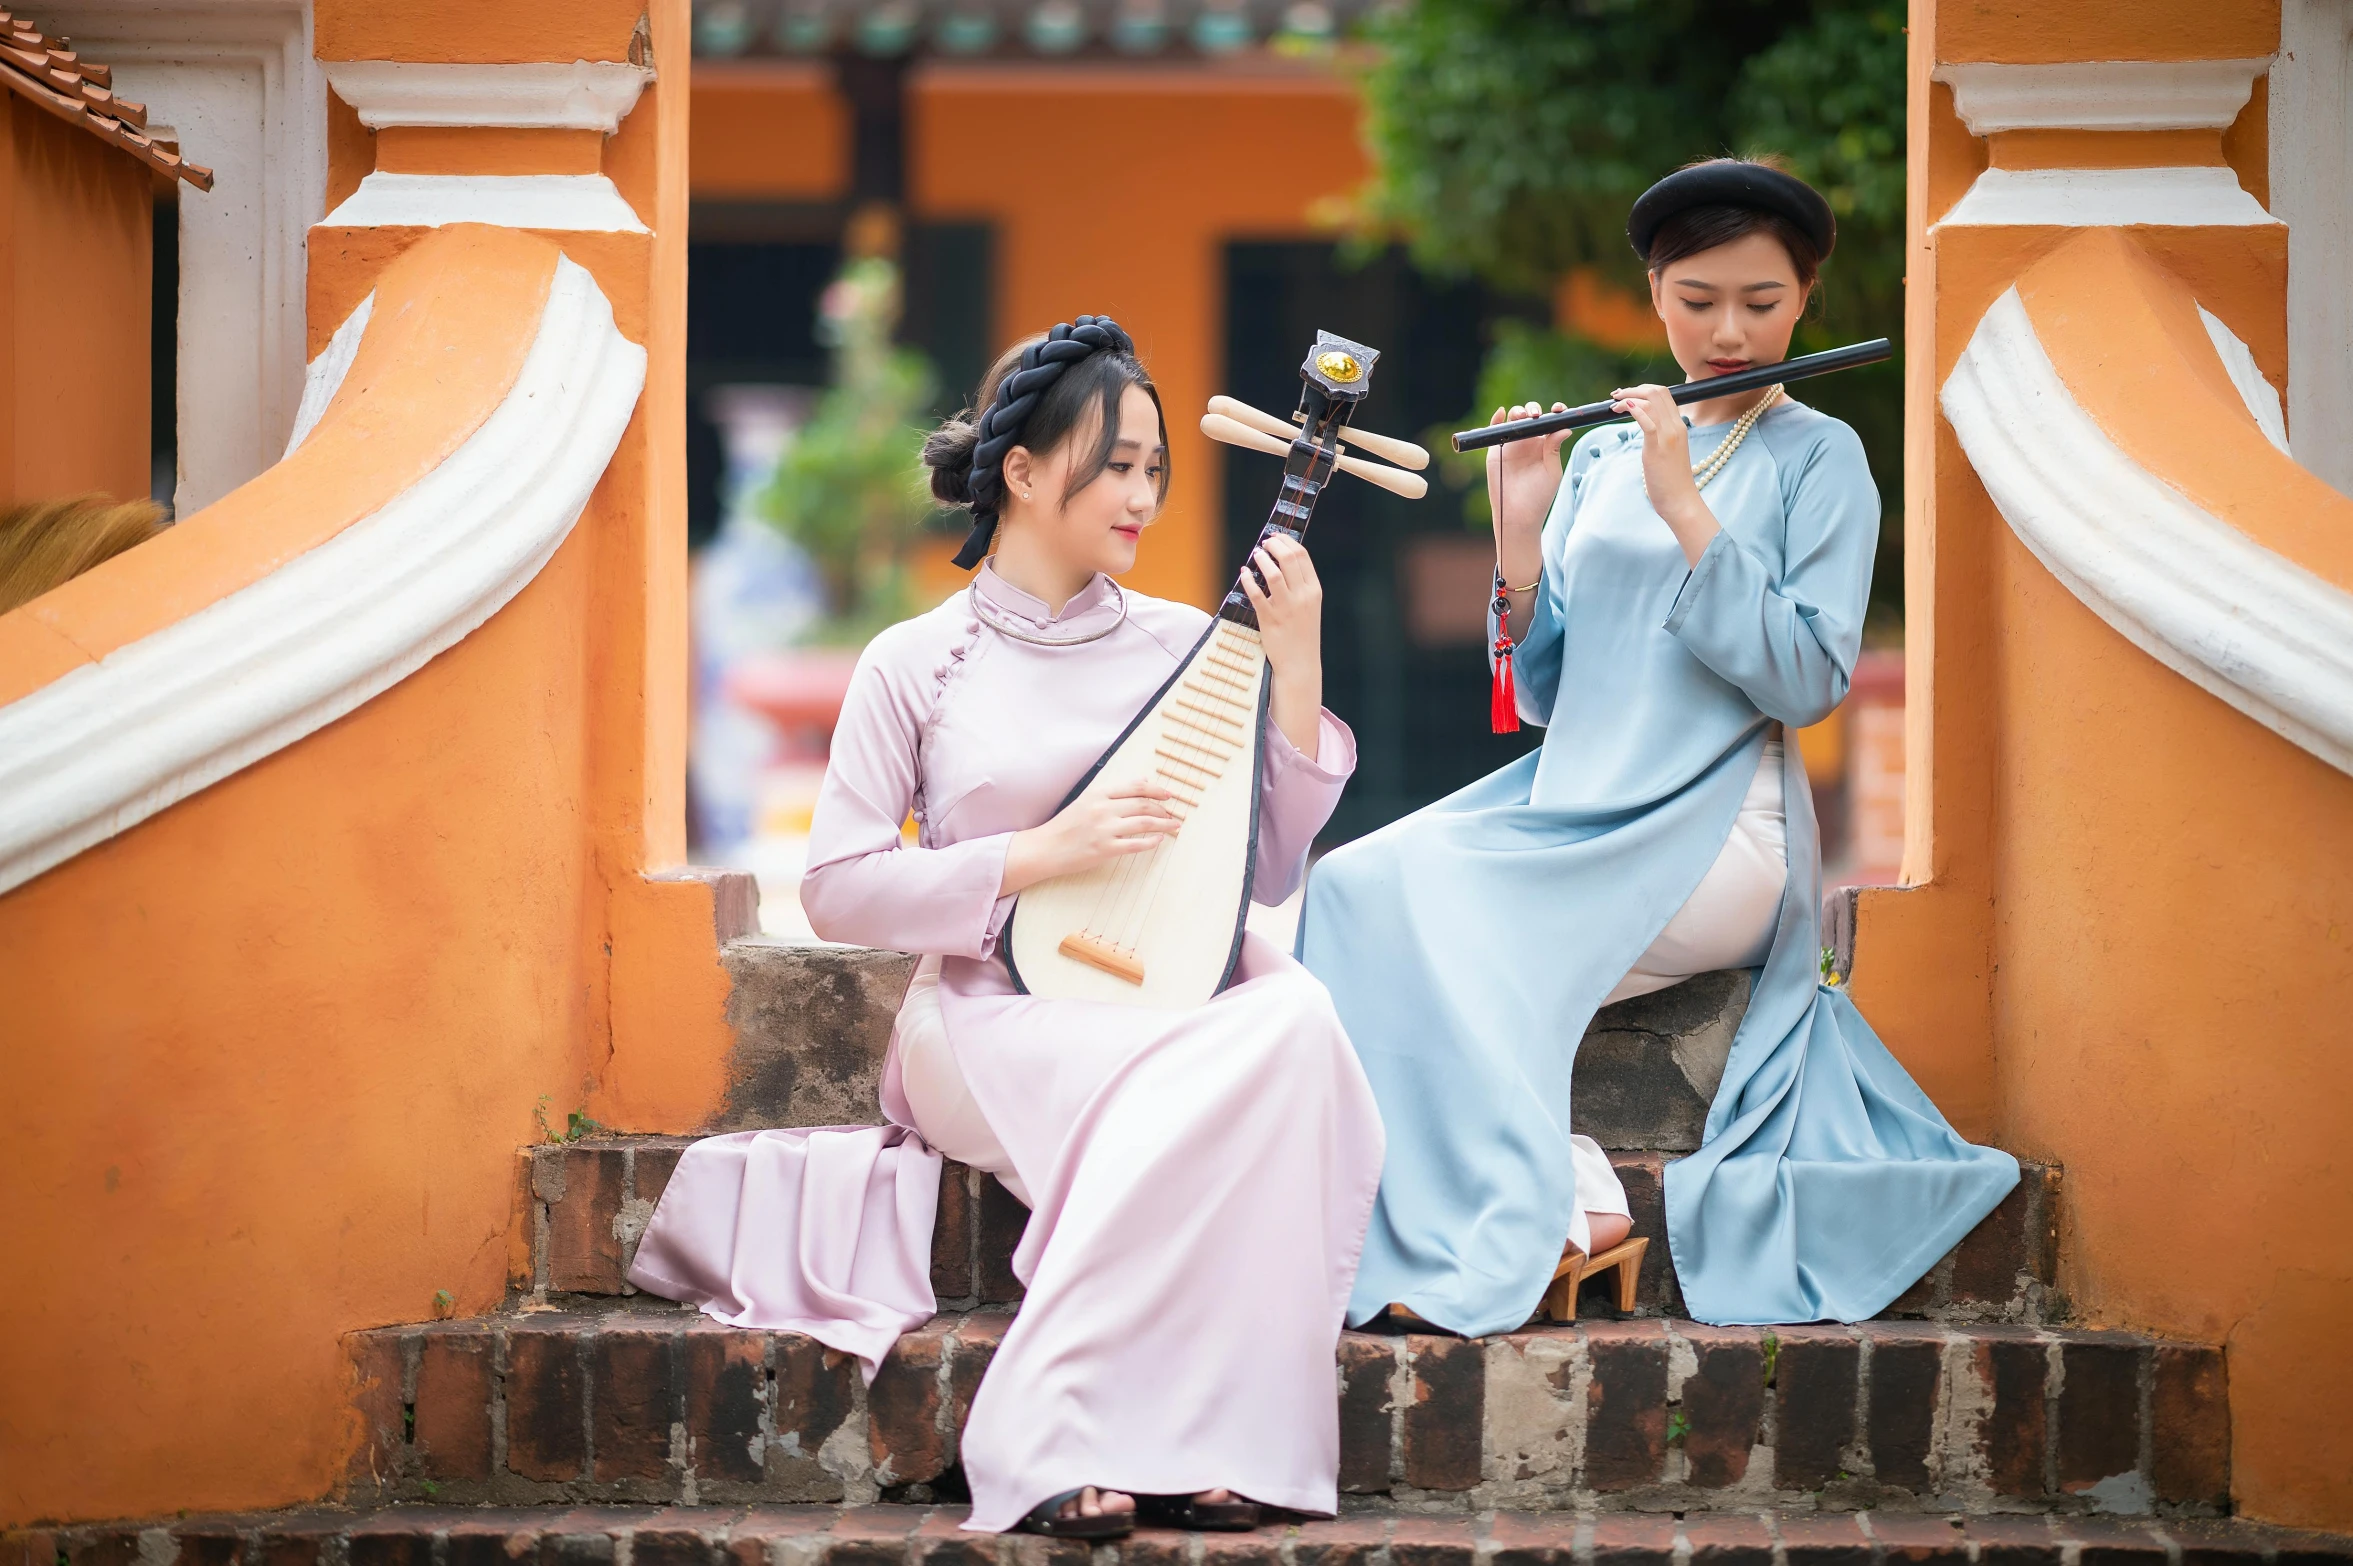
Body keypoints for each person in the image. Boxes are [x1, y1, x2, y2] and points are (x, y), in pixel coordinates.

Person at [627, 318, 1383, 1536]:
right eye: (1114, 463)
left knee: (1293, 1012)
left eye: (1153, 468)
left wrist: (1292, 667)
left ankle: (1231, 1439)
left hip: (1168, 997)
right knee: (1197, 1081)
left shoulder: (1185, 644)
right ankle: (1050, 1433)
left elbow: (1272, 858)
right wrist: (1039, 857)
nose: (1140, 493)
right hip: (989, 1012)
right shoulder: (915, 663)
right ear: (1023, 471)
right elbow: (837, 885)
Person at [1298, 159, 2019, 1337]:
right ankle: (1569, 1196)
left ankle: (1534, 1210)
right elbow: (1542, 693)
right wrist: (1517, 534)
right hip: (1573, 802)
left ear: (1804, 301)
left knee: (1447, 923)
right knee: (1351, 888)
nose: (1728, 330)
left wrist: (1688, 509)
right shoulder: (1593, 456)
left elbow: (1808, 678)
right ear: (1654, 297)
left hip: (1718, 826)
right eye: (1697, 301)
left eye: (1759, 301)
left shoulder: (1821, 458)